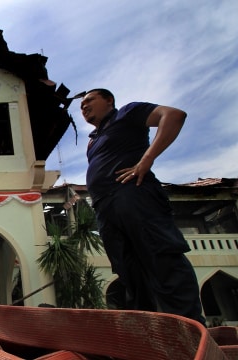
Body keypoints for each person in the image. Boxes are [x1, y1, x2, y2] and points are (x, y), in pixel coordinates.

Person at [79, 88, 206, 326]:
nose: (83, 107)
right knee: (129, 271)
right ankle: (149, 333)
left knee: (162, 258)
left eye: (89, 100)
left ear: (109, 100)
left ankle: (188, 329)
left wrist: (146, 160)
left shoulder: (128, 113)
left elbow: (174, 115)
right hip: (106, 208)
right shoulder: (93, 141)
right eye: (81, 105)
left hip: (133, 195)